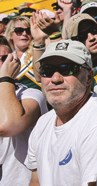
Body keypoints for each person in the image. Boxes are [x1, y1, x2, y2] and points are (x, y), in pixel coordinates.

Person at [26, 40, 97, 185]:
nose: (55, 79)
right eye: (47, 70)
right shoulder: (43, 123)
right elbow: (36, 181)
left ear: (89, 77)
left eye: (67, 69)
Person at [0, 37, 47, 186]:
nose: (1, 64)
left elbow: (9, 125)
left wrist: (5, 78)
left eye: (4, 59)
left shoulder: (31, 95)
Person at [4, 17, 38, 89]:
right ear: (10, 35)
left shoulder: (38, 52)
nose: (24, 33)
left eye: (28, 30)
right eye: (19, 30)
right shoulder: (5, 56)